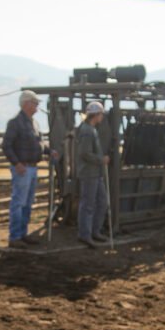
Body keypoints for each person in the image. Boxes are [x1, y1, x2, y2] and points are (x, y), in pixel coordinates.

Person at [2, 90, 47, 248]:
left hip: (32, 167)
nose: (37, 106)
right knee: (19, 202)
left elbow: (38, 143)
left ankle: (22, 234)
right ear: (26, 103)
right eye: (35, 103)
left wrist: (48, 151)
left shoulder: (33, 123)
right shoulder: (15, 123)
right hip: (23, 168)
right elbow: (6, 145)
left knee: (27, 203)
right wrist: (16, 163)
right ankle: (15, 236)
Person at [75, 102, 110, 249]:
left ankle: (94, 231)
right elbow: (85, 153)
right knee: (88, 204)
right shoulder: (87, 131)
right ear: (96, 115)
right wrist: (100, 160)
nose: (102, 116)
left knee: (102, 201)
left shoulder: (91, 129)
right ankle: (85, 234)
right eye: (101, 114)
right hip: (89, 172)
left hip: (96, 172)